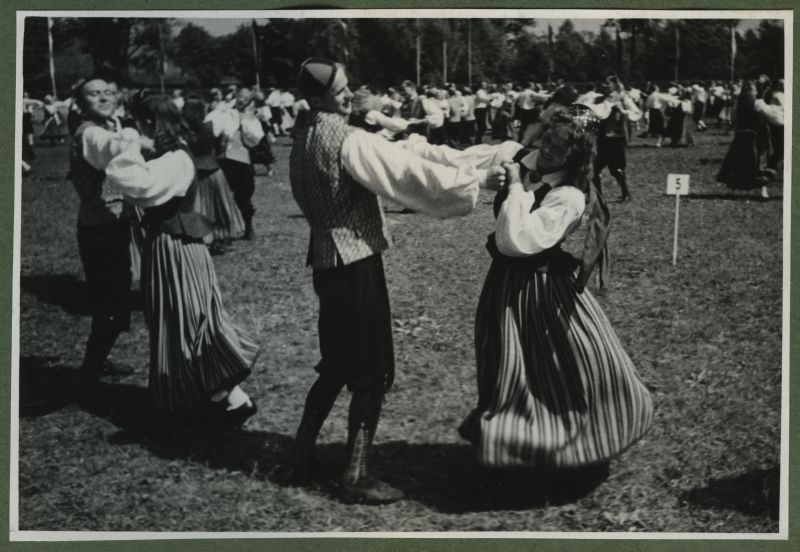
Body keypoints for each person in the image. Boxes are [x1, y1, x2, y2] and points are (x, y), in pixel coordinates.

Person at [287, 57, 504, 504]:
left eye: (349, 85)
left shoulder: (303, 138)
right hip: (356, 263)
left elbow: (402, 156)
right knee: (372, 371)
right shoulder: (346, 140)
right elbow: (408, 176)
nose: (349, 94)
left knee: (336, 364)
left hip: (326, 264)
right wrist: (478, 178)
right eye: (341, 89)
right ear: (318, 96)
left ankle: (298, 456)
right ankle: (355, 475)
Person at [459, 104, 654, 470]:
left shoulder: (570, 196)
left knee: (564, 362)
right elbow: (464, 160)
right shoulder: (526, 161)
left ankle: (576, 438)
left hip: (543, 290)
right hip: (504, 286)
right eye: (548, 138)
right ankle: (513, 442)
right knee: (507, 363)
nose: (548, 149)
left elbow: (516, 240)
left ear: (575, 155)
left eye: (560, 147)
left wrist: (515, 185)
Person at [104, 94, 260, 422]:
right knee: (184, 318)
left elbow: (131, 180)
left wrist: (131, 144)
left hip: (174, 247)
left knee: (185, 318)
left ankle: (225, 396)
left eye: (138, 122)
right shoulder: (171, 155)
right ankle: (212, 395)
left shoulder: (174, 159)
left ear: (149, 123)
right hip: (176, 245)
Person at [68, 76, 138, 403]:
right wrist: (140, 141)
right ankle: (88, 376)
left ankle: (96, 363)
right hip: (100, 227)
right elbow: (111, 151)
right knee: (109, 303)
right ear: (81, 103)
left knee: (114, 301)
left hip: (113, 223)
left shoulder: (109, 124)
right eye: (94, 94)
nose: (103, 97)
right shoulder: (90, 133)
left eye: (108, 92)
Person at [183, 94, 246, 249]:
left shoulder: (182, 131)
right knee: (219, 205)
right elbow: (224, 141)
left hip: (193, 172)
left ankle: (202, 237)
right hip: (212, 169)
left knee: (199, 205)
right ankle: (221, 235)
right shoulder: (211, 126)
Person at [717, 79, 783, 199]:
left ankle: (733, 190)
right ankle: (762, 190)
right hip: (754, 137)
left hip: (741, 136)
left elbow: (733, 118)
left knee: (737, 163)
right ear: (753, 90)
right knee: (757, 164)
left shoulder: (739, 102)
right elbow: (774, 117)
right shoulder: (757, 103)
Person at [214, 88, 264, 239]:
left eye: (246, 98)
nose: (243, 100)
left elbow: (256, 139)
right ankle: (223, 230)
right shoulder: (226, 111)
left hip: (242, 159)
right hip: (224, 158)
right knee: (221, 193)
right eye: (240, 97)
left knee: (244, 195)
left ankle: (248, 225)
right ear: (236, 97)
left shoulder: (251, 117)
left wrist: (244, 126)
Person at [591, 77, 641, 202]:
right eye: (604, 83)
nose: (605, 85)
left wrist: (622, 111)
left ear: (615, 84)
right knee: (594, 169)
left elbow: (635, 113)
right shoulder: (600, 99)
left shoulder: (623, 98)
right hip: (602, 137)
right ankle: (598, 196)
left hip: (616, 138)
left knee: (616, 169)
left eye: (608, 83)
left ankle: (626, 194)